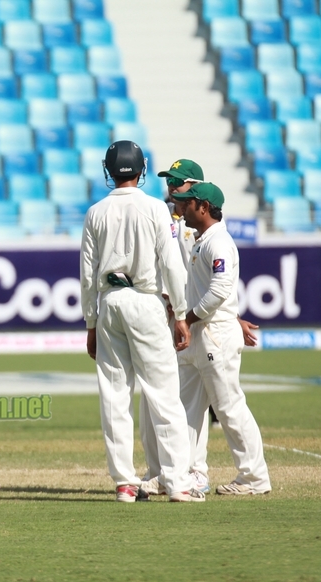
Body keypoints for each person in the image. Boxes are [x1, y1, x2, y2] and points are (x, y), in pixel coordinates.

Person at [79, 140, 204, 503]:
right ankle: (177, 481)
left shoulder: (95, 212)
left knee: (115, 395)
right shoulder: (155, 208)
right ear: (141, 170)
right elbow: (171, 263)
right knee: (163, 394)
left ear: (108, 171)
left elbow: (87, 275)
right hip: (146, 301)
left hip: (110, 301)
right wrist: (180, 314)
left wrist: (91, 322)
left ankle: (125, 482)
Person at [141, 160, 260, 496]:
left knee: (226, 406)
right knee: (181, 407)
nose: (171, 191)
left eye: (179, 185)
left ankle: (212, 473)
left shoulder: (205, 233)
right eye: (170, 184)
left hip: (202, 327)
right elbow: (200, 283)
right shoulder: (180, 224)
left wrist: (216, 317)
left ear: (198, 195)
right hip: (186, 322)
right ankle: (175, 473)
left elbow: (218, 287)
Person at [169, 183, 272, 495]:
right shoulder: (203, 241)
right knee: (187, 409)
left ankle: (254, 478)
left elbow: (220, 289)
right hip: (200, 335)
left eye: (187, 203)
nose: (181, 207)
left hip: (214, 334)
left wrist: (187, 319)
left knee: (229, 407)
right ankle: (184, 475)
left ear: (203, 207)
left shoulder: (219, 242)